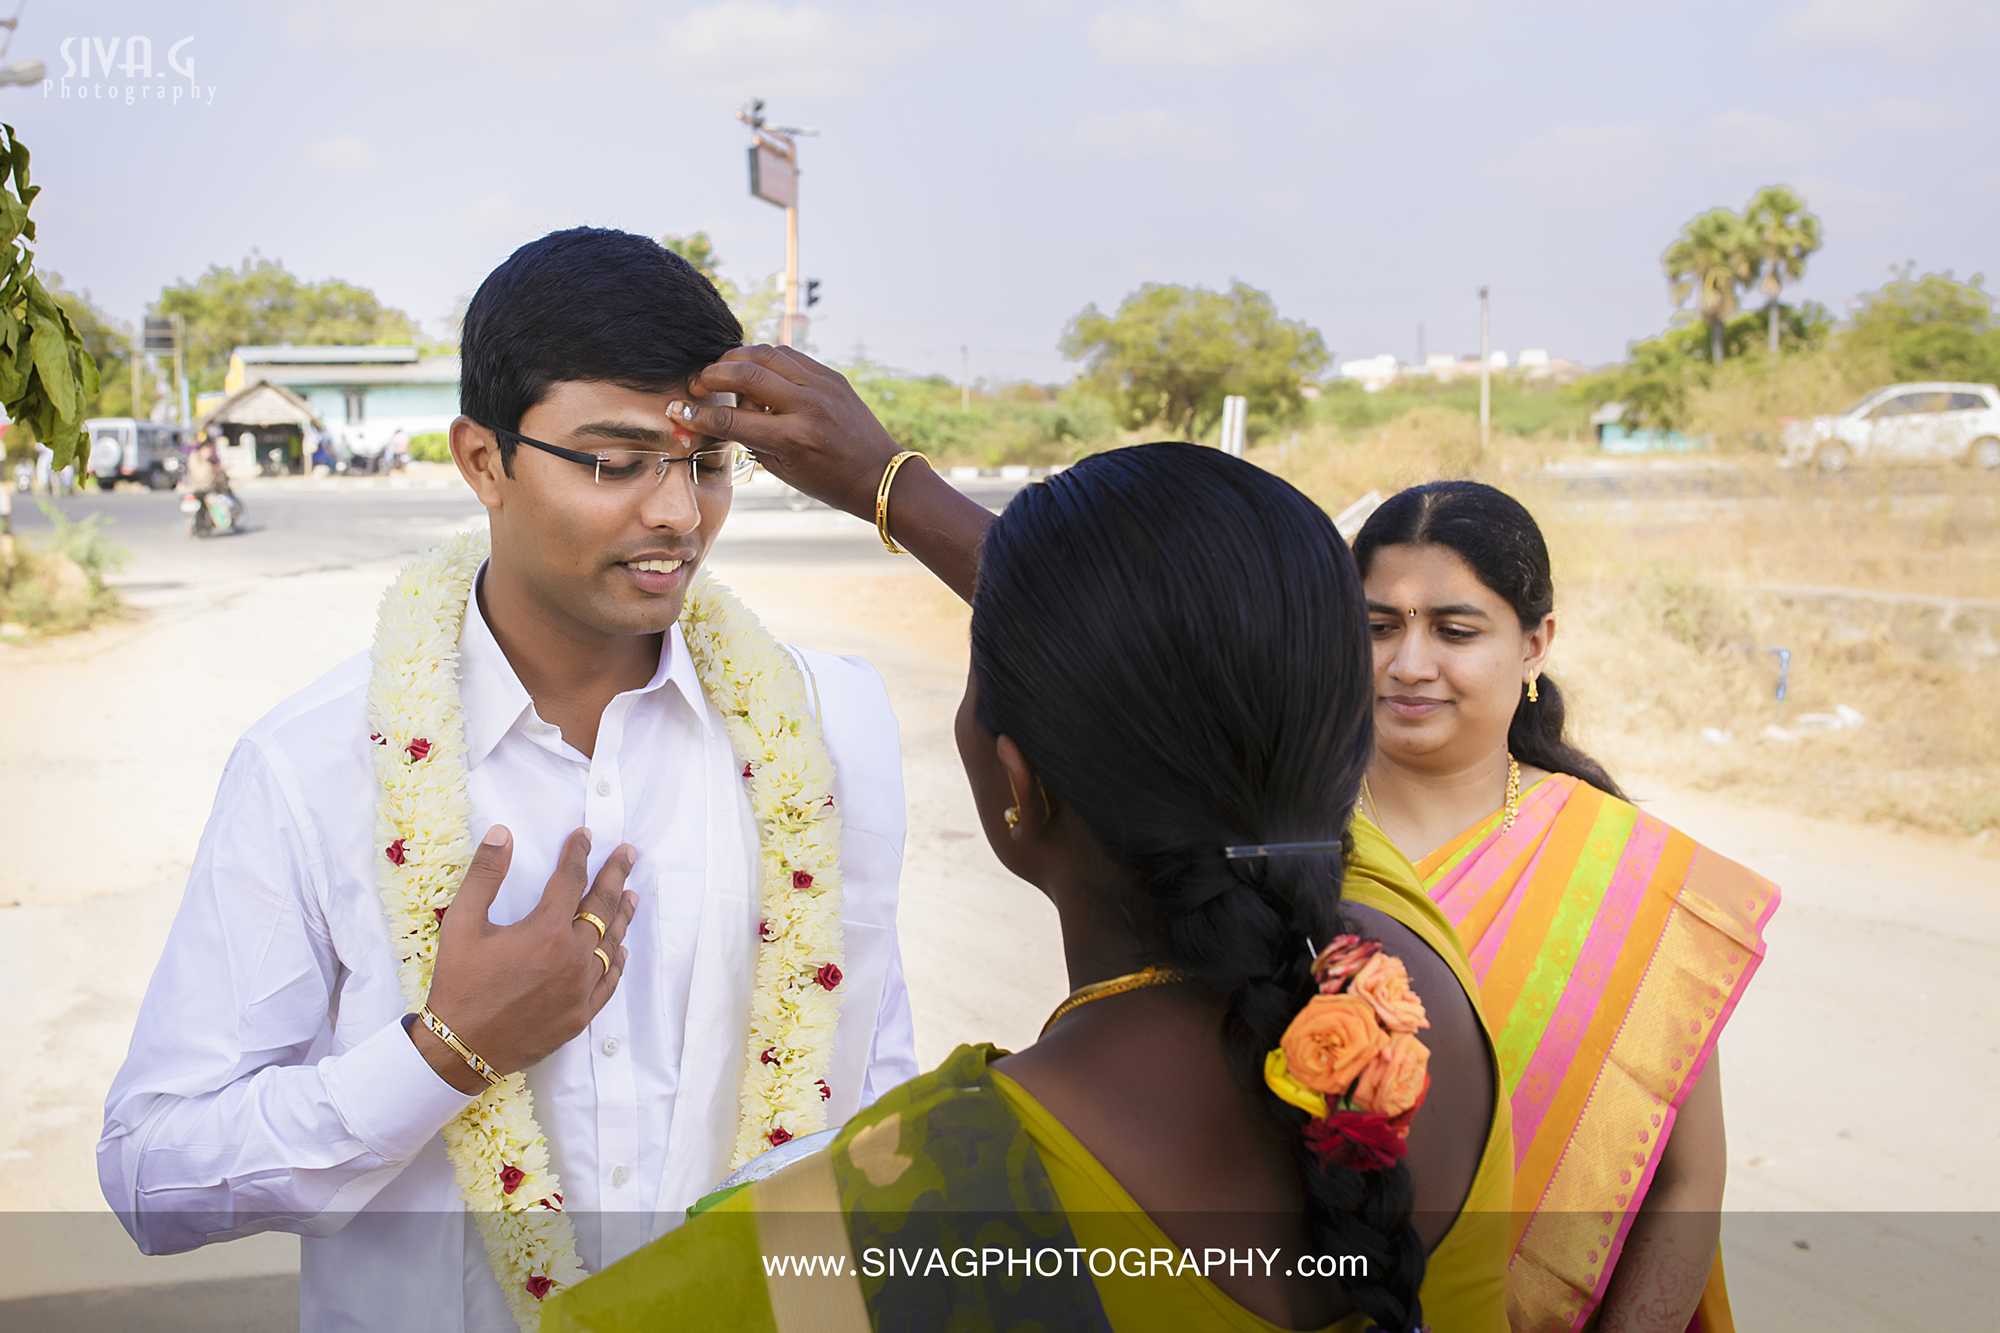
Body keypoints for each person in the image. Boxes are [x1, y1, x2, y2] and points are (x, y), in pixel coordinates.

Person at [98, 230, 919, 1333]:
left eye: (705, 463)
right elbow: (152, 1173)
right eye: (616, 462)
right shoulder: (312, 766)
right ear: (483, 460)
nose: (677, 513)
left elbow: (862, 1108)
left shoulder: (825, 733)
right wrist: (442, 1052)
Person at [546, 439, 1516, 1332]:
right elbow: (1221, 676)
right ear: (1341, 725)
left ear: (1018, 787)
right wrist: (895, 483)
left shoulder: (877, 1217)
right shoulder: (1410, 954)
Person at [1350, 481, 1778, 1332]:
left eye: (1455, 630)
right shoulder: (1284, 838)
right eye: (1379, 626)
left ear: (1534, 643)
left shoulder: (1629, 873)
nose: (1409, 663)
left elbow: (1687, 1181)